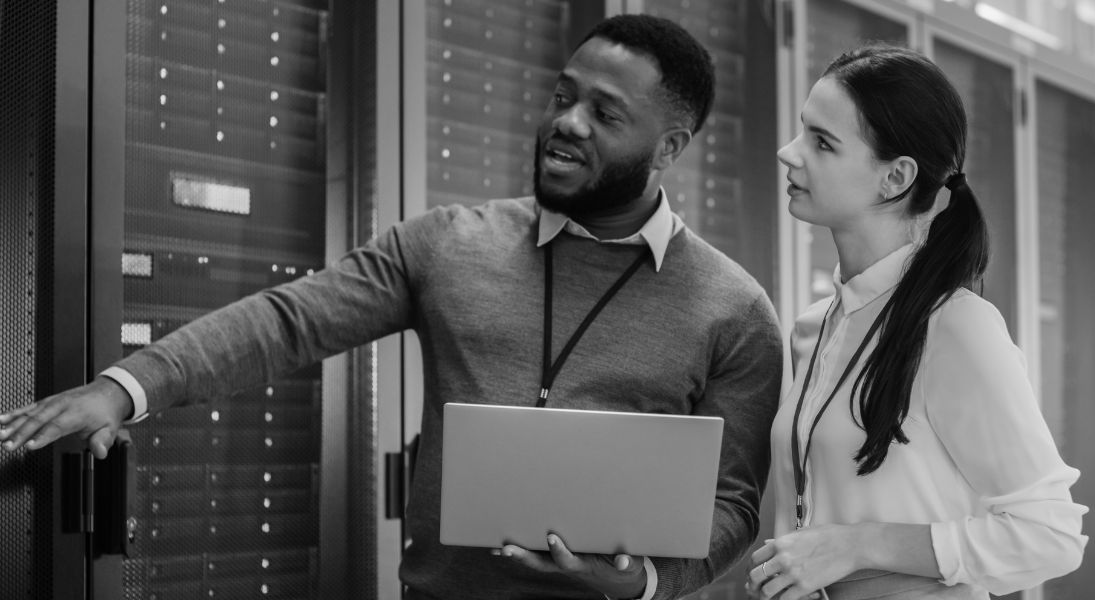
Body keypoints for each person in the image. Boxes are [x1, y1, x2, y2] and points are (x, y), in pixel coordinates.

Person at [0, 15, 783, 600]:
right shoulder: (448, 244)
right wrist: (125, 388)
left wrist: (646, 581)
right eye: (562, 96)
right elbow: (286, 321)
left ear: (671, 147)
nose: (566, 124)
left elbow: (735, 504)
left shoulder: (736, 311)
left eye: (606, 114)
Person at [746, 45, 1087, 600]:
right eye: (801, 131)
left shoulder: (955, 327)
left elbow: (1051, 534)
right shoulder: (813, 328)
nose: (789, 152)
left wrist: (859, 546)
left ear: (896, 177)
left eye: (822, 142)